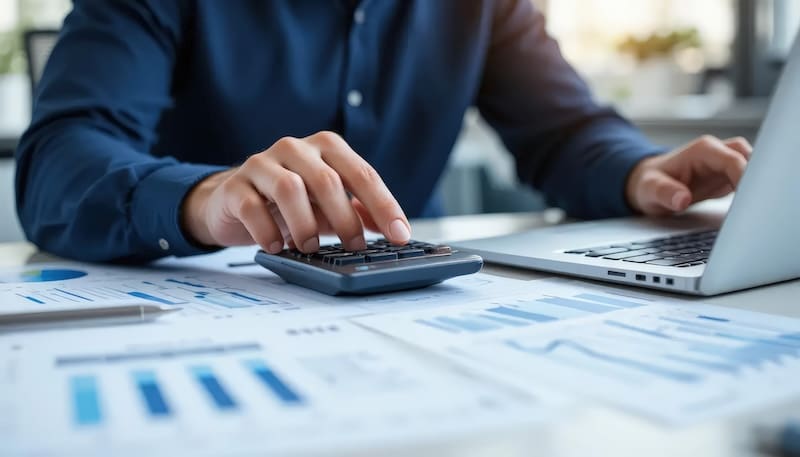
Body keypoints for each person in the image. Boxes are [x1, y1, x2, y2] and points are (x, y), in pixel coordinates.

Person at [15, 0, 751, 263]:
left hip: (412, 322)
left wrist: (641, 171)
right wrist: (203, 197)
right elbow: (60, 157)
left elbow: (563, 129)